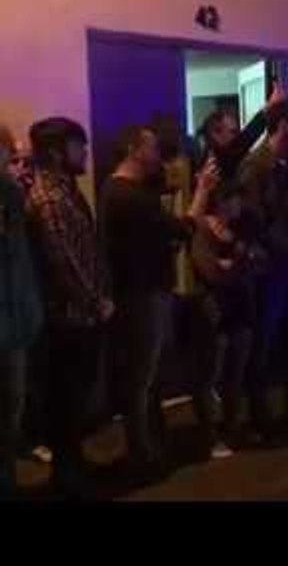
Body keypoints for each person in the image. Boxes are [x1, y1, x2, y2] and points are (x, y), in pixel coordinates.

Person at [99, 125, 218, 478]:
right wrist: (202, 191)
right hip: (142, 295)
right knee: (142, 378)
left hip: (139, 292)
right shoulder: (128, 196)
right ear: (135, 149)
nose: (159, 155)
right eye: (152, 147)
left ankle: (149, 444)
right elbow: (182, 228)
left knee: (144, 378)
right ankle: (142, 454)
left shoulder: (117, 189)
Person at [23, 118, 111, 497]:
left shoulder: (65, 190)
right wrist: (94, 301)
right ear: (58, 152)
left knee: (74, 401)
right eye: (80, 146)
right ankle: (68, 477)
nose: (86, 153)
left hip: (79, 314)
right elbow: (63, 261)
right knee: (66, 401)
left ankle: (72, 467)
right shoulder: (49, 198)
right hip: (67, 318)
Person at [237, 99, 288, 437]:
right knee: (264, 341)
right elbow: (250, 220)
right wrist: (266, 253)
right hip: (271, 268)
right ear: (283, 125)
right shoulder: (257, 166)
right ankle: (259, 414)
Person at [190, 182, 264, 458]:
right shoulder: (202, 230)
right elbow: (210, 272)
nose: (239, 207)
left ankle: (233, 428)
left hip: (241, 309)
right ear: (220, 202)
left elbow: (259, 262)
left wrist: (237, 263)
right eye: (234, 201)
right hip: (215, 310)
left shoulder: (239, 230)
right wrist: (239, 263)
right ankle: (210, 436)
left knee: (236, 374)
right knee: (210, 375)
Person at [0, 124, 44, 499]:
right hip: (9, 323)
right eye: (10, 154)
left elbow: (21, 266)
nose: (16, 163)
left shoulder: (13, 198)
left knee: (13, 404)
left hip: (15, 323)